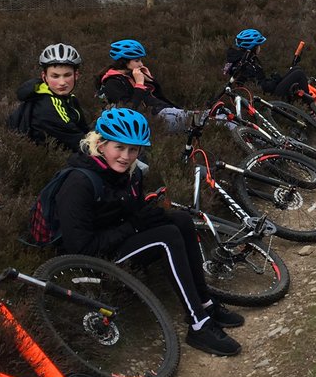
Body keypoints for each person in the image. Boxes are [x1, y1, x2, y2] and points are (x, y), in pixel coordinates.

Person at [54, 107, 243, 357]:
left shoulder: (130, 173)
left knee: (180, 221)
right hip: (87, 260)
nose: (126, 156)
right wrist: (134, 225)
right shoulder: (79, 183)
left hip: (114, 240)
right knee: (166, 239)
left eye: (133, 150)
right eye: (119, 148)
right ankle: (198, 324)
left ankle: (205, 302)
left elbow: (128, 211)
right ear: (101, 145)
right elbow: (81, 248)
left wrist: (147, 215)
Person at [96, 39, 191, 132]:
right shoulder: (112, 83)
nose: (141, 64)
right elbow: (129, 109)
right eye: (137, 61)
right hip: (150, 120)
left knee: (197, 120)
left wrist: (150, 80)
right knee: (194, 121)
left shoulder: (132, 75)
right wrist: (139, 84)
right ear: (124, 61)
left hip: (163, 111)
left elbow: (158, 98)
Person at [13, 43, 92, 150]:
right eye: (55, 76)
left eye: (67, 75)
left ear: (76, 75)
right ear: (44, 77)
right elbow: (78, 142)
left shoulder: (70, 98)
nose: (62, 82)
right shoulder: (46, 105)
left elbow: (84, 130)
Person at [222, 29, 310, 101]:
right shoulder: (246, 65)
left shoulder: (240, 60)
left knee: (295, 69)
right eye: (258, 45)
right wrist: (275, 80)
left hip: (261, 95)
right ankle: (310, 108)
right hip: (265, 99)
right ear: (253, 47)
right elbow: (262, 88)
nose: (259, 48)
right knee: (299, 74)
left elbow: (257, 82)